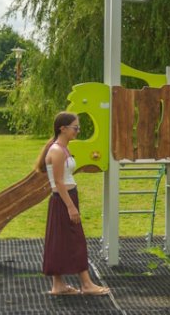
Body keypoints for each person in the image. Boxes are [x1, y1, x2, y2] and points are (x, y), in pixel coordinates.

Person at [34, 111, 110, 296]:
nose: (78, 130)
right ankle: (86, 284)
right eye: (75, 127)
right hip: (63, 199)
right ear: (63, 128)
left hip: (66, 197)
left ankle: (58, 285)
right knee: (76, 240)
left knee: (60, 240)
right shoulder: (57, 151)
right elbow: (59, 182)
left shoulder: (63, 148)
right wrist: (70, 206)